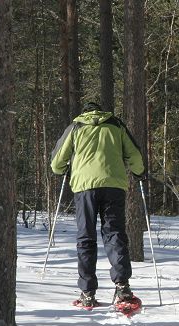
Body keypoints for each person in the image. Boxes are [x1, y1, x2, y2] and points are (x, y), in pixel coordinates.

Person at [51, 102, 145, 308]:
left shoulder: (76, 127)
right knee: (114, 234)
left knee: (86, 237)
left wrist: (62, 170)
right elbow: (135, 155)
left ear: (84, 113)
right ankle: (122, 286)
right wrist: (139, 172)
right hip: (113, 186)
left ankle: (87, 292)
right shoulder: (116, 125)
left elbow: (57, 161)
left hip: (84, 188)